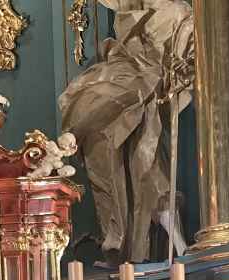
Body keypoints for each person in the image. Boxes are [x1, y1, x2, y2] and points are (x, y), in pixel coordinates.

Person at [57, 0, 193, 264]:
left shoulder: (180, 13)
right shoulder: (133, 7)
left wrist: (180, 69)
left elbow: (187, 60)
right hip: (122, 76)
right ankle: (118, 244)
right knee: (104, 151)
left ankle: (176, 245)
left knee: (147, 165)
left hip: (147, 85)